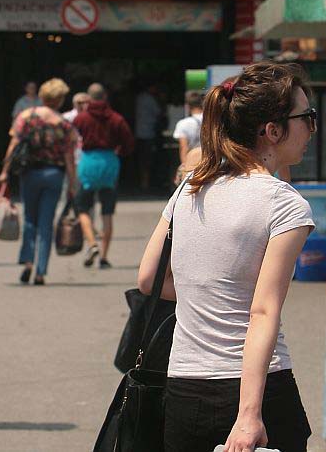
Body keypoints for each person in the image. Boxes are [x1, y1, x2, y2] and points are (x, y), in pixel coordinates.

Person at [138, 62, 316, 452]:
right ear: (272, 131)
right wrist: (249, 415)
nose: (311, 128)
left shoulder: (190, 187)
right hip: (258, 392)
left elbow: (149, 279)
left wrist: (208, 300)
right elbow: (263, 311)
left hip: (185, 386)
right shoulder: (284, 204)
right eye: (307, 117)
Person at [0, 78, 78, 286]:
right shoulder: (64, 124)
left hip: (30, 173)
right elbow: (69, 156)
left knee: (30, 219)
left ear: (42, 96)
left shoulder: (26, 117)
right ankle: (41, 271)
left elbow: (14, 144)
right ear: (60, 100)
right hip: (54, 174)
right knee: (46, 223)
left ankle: (27, 263)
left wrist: (5, 171)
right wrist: (72, 182)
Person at [73, 83, 134, 269]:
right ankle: (104, 257)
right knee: (107, 212)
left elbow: (72, 136)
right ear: (105, 97)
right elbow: (129, 143)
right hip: (109, 162)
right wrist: (119, 151)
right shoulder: (116, 119)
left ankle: (92, 243)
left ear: (89, 98)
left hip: (89, 162)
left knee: (82, 208)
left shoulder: (81, 118)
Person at [134, 83, 164, 191]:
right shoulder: (150, 99)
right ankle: (146, 182)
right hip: (149, 132)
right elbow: (158, 112)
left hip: (139, 132)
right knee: (148, 159)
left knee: (142, 158)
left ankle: (143, 181)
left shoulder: (139, 98)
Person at [173, 89, 205, 166]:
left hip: (192, 162)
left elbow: (184, 147)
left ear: (188, 106)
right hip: (209, 162)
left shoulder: (183, 124)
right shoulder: (212, 120)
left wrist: (184, 167)